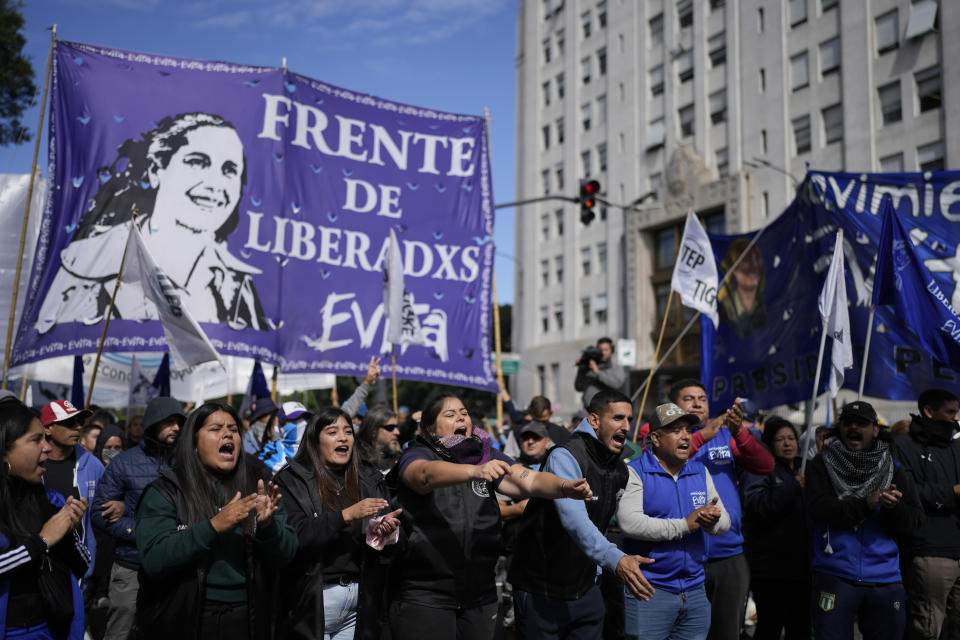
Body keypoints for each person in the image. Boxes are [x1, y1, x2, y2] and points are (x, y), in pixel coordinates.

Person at [36, 112, 266, 333]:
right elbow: (54, 351)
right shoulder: (87, 262)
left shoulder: (238, 284)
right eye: (197, 162)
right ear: (157, 171)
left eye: (229, 170)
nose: (215, 184)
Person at [386, 394, 593, 640]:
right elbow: (423, 476)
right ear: (430, 429)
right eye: (450, 415)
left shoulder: (485, 455)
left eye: (464, 413)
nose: (461, 418)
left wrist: (564, 487)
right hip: (426, 594)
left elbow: (530, 479)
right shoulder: (418, 453)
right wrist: (475, 471)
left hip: (479, 592)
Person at [135, 402, 298, 639]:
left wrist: (267, 527)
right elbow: (153, 558)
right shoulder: (167, 491)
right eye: (215, 429)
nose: (227, 434)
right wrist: (213, 527)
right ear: (193, 443)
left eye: (233, 429)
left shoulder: (259, 486)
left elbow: (287, 554)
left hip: (249, 618)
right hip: (184, 619)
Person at [509, 390, 655, 639]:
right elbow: (575, 523)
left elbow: (605, 525)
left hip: (586, 593)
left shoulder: (619, 468)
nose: (626, 427)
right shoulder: (566, 456)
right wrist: (617, 560)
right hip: (542, 591)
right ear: (595, 420)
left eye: (629, 419)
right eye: (618, 418)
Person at [274, 407, 402, 639]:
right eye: (332, 432)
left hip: (360, 600)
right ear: (315, 440)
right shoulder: (291, 480)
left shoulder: (369, 477)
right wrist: (346, 515)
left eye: (348, 431)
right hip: (313, 599)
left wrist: (385, 530)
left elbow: (386, 542)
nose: (343, 437)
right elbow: (295, 536)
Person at [805, 401, 922, 640]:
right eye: (848, 423)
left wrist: (894, 507)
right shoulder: (821, 464)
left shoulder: (894, 468)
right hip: (835, 574)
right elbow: (817, 509)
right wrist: (865, 504)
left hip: (884, 579)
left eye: (862, 423)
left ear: (875, 430)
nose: (854, 428)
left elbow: (914, 522)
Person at [669, 379, 773, 640]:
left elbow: (765, 465)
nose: (697, 403)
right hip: (682, 557)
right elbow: (665, 462)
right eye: (689, 398)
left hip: (729, 555)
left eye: (702, 399)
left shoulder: (725, 435)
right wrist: (701, 436)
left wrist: (739, 432)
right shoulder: (663, 438)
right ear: (673, 406)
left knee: (726, 634)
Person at [617, 402, 730, 640]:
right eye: (676, 430)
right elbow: (630, 523)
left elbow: (724, 522)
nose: (685, 437)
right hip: (648, 591)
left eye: (688, 431)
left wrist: (712, 522)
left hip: (696, 591)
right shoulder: (635, 472)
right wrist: (684, 525)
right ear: (656, 439)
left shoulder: (700, 471)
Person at [91, 397, 184, 640]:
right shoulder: (123, 463)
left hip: (174, 568)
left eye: (179, 422)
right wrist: (140, 532)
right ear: (153, 423)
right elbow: (99, 514)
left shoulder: (187, 464)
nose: (176, 427)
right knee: (120, 633)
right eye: (169, 422)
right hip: (132, 566)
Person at [1, 400, 90, 639]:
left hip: (50, 629)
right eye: (35, 439)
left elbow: (83, 563)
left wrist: (68, 530)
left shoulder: (51, 499)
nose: (47, 448)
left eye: (45, 438)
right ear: (5, 448)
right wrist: (41, 541)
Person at [893, 388, 960, 640]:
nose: (956, 418)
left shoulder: (956, 447)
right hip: (928, 551)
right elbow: (908, 492)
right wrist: (950, 493)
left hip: (957, 547)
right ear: (929, 411)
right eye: (950, 412)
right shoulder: (903, 446)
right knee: (928, 628)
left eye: (957, 411)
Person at [740, 417, 809, 640]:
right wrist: (791, 487)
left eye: (791, 438)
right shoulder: (760, 469)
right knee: (770, 626)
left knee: (800, 627)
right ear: (769, 443)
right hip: (771, 569)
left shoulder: (804, 468)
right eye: (780, 439)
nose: (788, 444)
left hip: (803, 566)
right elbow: (756, 506)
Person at [39, 400, 103, 584]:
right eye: (69, 423)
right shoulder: (32, 465)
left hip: (79, 575)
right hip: (38, 567)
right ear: (48, 429)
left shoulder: (93, 465)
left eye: (80, 422)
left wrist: (120, 505)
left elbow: (104, 513)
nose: (77, 428)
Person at [259, 401, 313, 474]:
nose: (303, 423)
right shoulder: (270, 454)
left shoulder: (317, 451)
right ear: (280, 426)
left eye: (305, 419)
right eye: (295, 420)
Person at [574, 337, 627, 409]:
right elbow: (578, 387)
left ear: (611, 351)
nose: (603, 352)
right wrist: (581, 368)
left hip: (609, 410)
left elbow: (616, 384)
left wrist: (598, 372)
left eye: (606, 350)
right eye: (601, 350)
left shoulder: (615, 368)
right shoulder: (591, 367)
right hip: (590, 410)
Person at [356, 406, 402, 475]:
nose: (397, 432)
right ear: (373, 432)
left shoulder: (400, 460)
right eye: (390, 427)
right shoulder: (357, 462)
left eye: (397, 427)